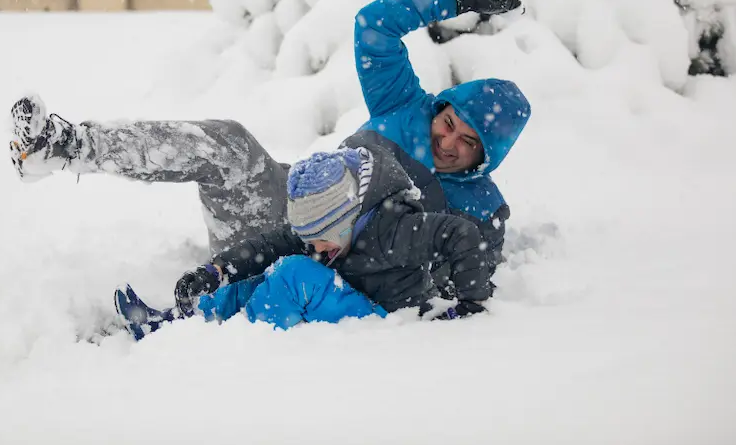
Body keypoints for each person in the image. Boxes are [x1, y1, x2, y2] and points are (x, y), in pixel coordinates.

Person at [10, 0, 530, 304]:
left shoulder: (481, 206)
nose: (448, 142)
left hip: (324, 273)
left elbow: (467, 271)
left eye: (468, 143)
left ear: (490, 157)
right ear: (440, 110)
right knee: (229, 143)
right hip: (280, 214)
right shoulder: (402, 107)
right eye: (448, 124)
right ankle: (66, 146)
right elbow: (374, 25)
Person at [113, 146, 495, 341]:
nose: (315, 248)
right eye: (309, 239)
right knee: (270, 272)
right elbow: (271, 244)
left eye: (322, 240)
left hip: (386, 320)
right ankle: (181, 323)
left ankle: (239, 343)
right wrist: (215, 272)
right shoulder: (328, 229)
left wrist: (471, 303)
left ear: (347, 218)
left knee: (295, 274)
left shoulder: (393, 228)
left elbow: (462, 236)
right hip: (351, 298)